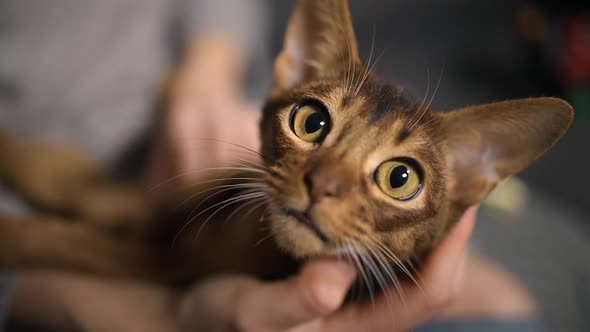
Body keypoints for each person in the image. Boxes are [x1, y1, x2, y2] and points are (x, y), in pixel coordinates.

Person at [0, 1, 541, 331]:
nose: (326, 182)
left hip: (214, 101)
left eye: (397, 176)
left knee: (501, 305)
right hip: (75, 146)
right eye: (314, 125)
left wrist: (209, 68)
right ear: (294, 75)